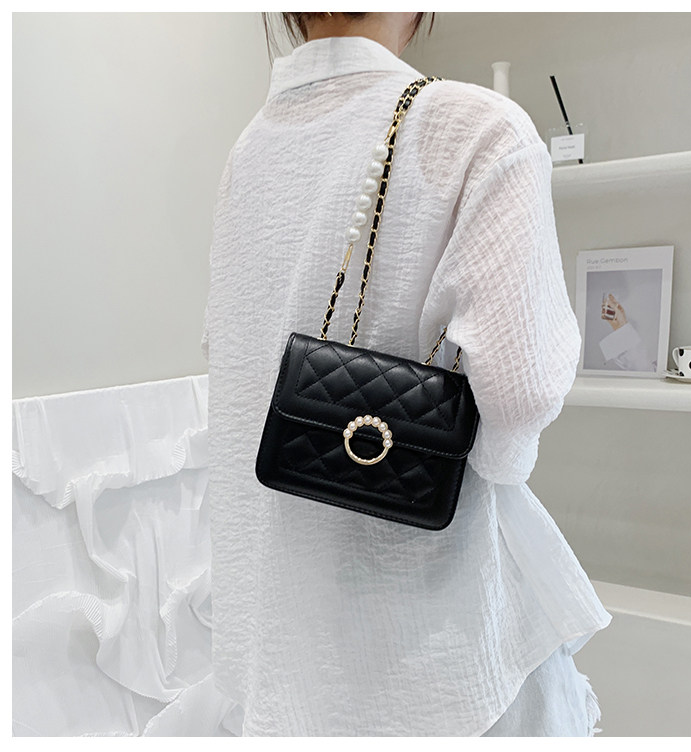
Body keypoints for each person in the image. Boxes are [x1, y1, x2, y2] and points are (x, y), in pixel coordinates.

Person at [202, 11, 612, 737]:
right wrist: (495, 459)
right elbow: (520, 391)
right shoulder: (479, 129)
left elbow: (229, 349)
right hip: (427, 626)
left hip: (277, 616)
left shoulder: (250, 147)